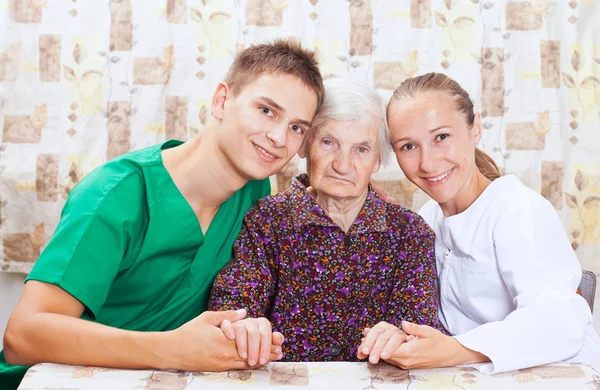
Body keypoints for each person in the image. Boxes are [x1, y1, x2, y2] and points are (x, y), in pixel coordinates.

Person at [0, 39, 324, 389]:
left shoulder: (255, 191)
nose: (278, 137)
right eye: (266, 110)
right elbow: (23, 337)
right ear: (221, 100)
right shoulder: (115, 194)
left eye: (296, 128)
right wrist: (173, 349)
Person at [358, 72, 600, 374]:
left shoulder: (518, 209)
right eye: (408, 146)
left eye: (441, 137)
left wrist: (453, 349)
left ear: (476, 129)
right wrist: (402, 336)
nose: (427, 162)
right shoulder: (426, 219)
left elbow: (561, 322)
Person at [208, 79, 446, 363]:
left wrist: (403, 336)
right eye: (328, 143)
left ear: (378, 160)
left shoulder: (409, 232)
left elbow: (420, 324)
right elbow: (234, 302)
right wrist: (244, 325)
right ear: (305, 146)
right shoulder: (267, 219)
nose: (343, 165)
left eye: (361, 149)